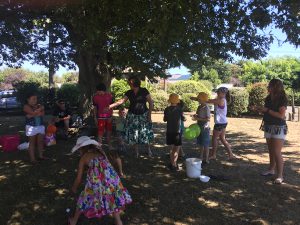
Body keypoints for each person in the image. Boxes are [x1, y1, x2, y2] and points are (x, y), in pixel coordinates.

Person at [68, 136, 132, 225]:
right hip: (111, 179)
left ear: (82, 148)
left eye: (79, 149)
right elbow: (107, 164)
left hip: (96, 182)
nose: (79, 151)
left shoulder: (84, 158)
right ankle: (118, 221)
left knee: (84, 198)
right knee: (112, 197)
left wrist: (74, 188)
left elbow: (78, 178)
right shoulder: (100, 151)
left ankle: (73, 221)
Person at [108, 77, 154, 158]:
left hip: (143, 115)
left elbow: (151, 103)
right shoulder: (129, 92)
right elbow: (121, 101)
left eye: (129, 82)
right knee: (133, 133)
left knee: (145, 132)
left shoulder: (144, 90)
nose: (128, 83)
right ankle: (136, 151)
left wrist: (149, 115)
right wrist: (110, 106)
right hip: (132, 115)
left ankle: (148, 149)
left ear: (133, 82)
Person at [255, 79, 288, 184]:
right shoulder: (268, 97)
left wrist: (267, 110)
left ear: (275, 87)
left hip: (278, 127)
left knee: (277, 152)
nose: (268, 86)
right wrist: (258, 109)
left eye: (270, 85)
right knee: (271, 150)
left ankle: (280, 176)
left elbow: (281, 116)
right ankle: (271, 169)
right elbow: (266, 111)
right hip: (268, 126)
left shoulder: (282, 98)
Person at [207, 87, 234, 160]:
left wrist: (198, 99)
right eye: (217, 92)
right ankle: (231, 154)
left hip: (220, 123)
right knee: (222, 138)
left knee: (214, 138)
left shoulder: (221, 100)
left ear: (223, 94)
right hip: (223, 122)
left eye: (218, 92)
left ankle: (213, 155)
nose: (217, 93)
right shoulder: (222, 99)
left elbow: (208, 101)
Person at [23, 93, 47, 164]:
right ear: (28, 99)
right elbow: (33, 112)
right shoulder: (26, 106)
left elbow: (42, 114)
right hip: (31, 127)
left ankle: (41, 156)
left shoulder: (38, 105)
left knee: (40, 142)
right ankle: (32, 159)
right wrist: (40, 109)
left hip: (40, 126)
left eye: (36, 98)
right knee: (32, 143)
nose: (35, 100)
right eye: (33, 98)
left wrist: (32, 114)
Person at [164, 93, 183, 171]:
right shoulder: (180, 109)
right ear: (177, 101)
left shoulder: (167, 109)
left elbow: (165, 119)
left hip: (169, 131)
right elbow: (183, 118)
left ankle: (172, 163)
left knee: (171, 149)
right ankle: (174, 164)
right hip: (177, 131)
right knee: (177, 149)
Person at [191, 92, 211, 163]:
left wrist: (198, 119)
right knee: (201, 142)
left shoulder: (206, 107)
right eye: (198, 99)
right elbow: (197, 115)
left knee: (205, 143)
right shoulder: (199, 106)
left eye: (199, 99)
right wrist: (195, 116)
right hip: (199, 126)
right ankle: (201, 157)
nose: (198, 100)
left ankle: (207, 158)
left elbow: (208, 119)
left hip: (205, 127)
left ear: (204, 100)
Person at [92, 83, 113, 148]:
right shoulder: (95, 97)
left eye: (99, 91)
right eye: (97, 91)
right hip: (100, 117)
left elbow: (112, 106)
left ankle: (110, 145)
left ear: (103, 90)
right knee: (100, 132)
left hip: (109, 117)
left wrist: (111, 116)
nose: (98, 92)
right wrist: (95, 117)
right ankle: (99, 146)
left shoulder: (109, 96)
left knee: (109, 131)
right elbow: (95, 107)